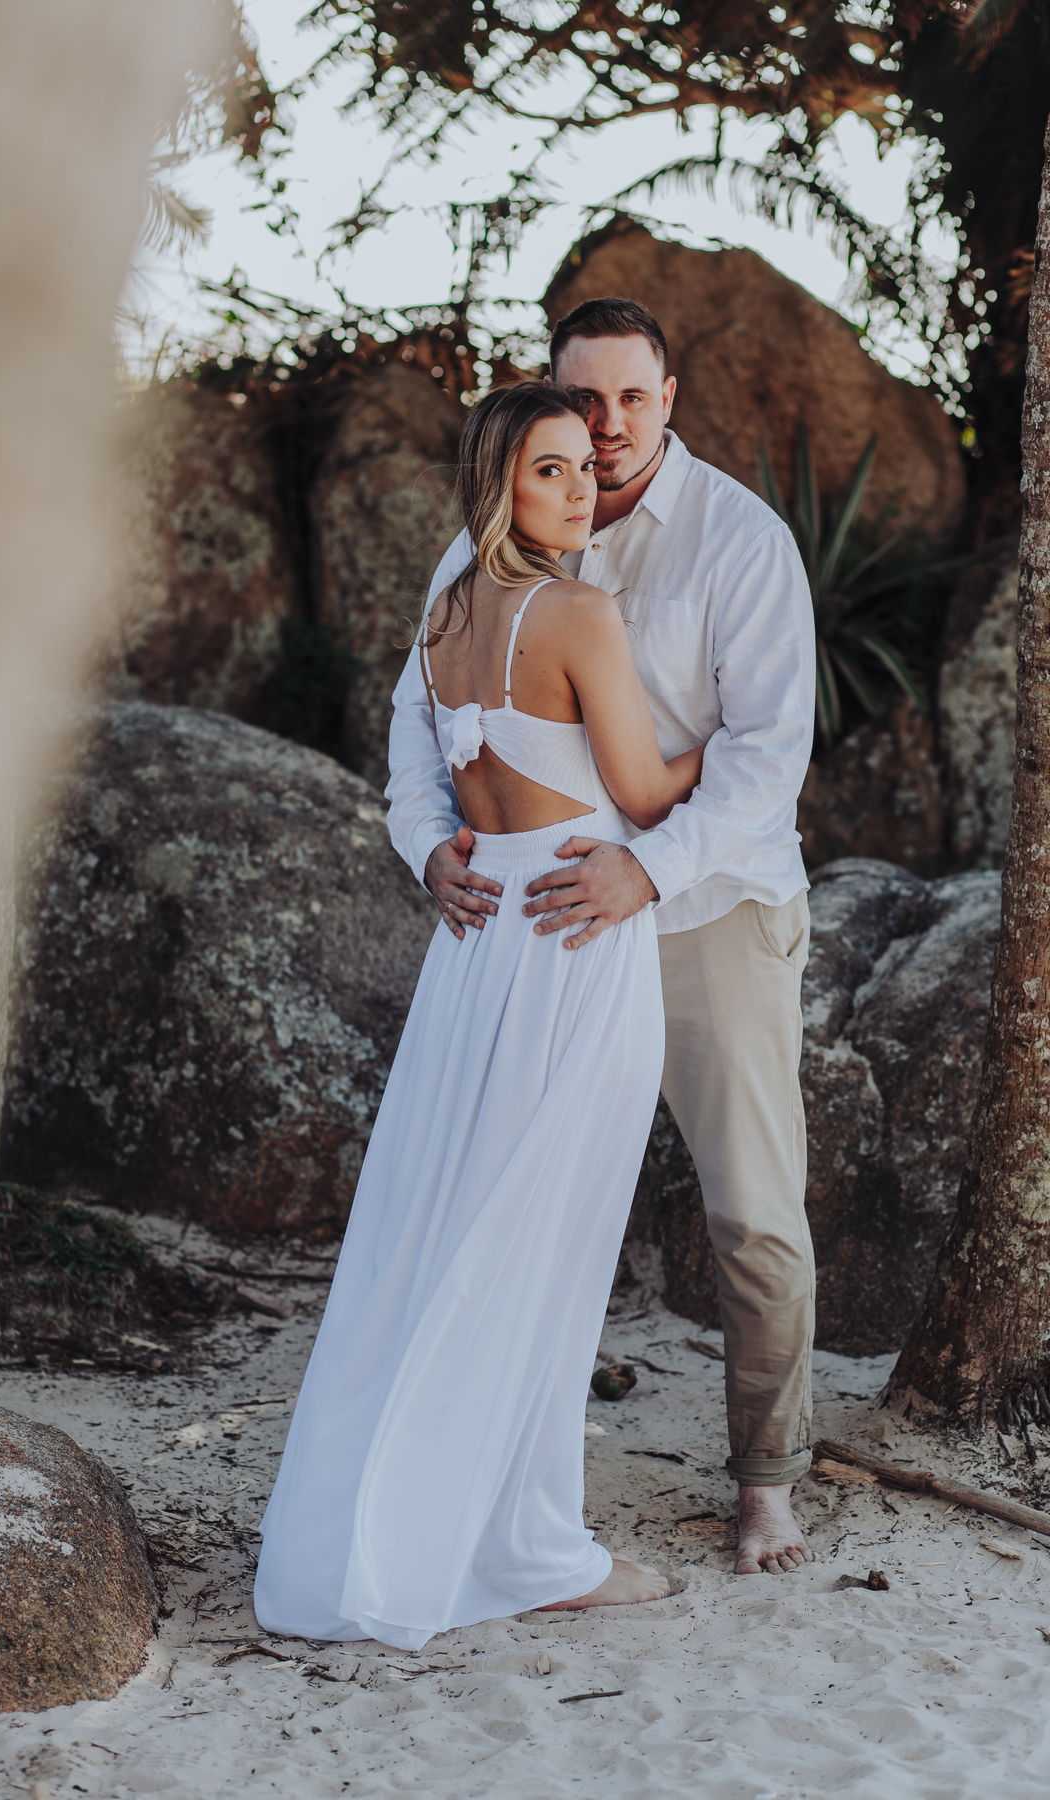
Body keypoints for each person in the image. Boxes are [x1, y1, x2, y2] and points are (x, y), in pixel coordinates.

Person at [253, 382, 707, 1650]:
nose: (579, 490)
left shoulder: (449, 612)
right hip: (574, 945)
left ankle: (420, 1520)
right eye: (549, 470)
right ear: (498, 482)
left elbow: (443, 779)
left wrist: (429, 851)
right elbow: (642, 794)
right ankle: (528, 1545)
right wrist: (730, 738)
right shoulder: (578, 613)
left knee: (441, 1227)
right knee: (546, 1244)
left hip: (479, 941)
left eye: (585, 470)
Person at [385, 296, 818, 1577]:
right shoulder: (486, 544)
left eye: (633, 398)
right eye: (586, 401)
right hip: (541, 924)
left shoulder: (743, 541)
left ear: (668, 400)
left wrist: (649, 866)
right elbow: (418, 719)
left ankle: (766, 1481)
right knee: (504, 1200)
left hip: (707, 908)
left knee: (752, 1213)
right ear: (553, 398)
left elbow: (767, 755)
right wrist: (428, 842)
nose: (610, 425)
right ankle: (486, 1477)